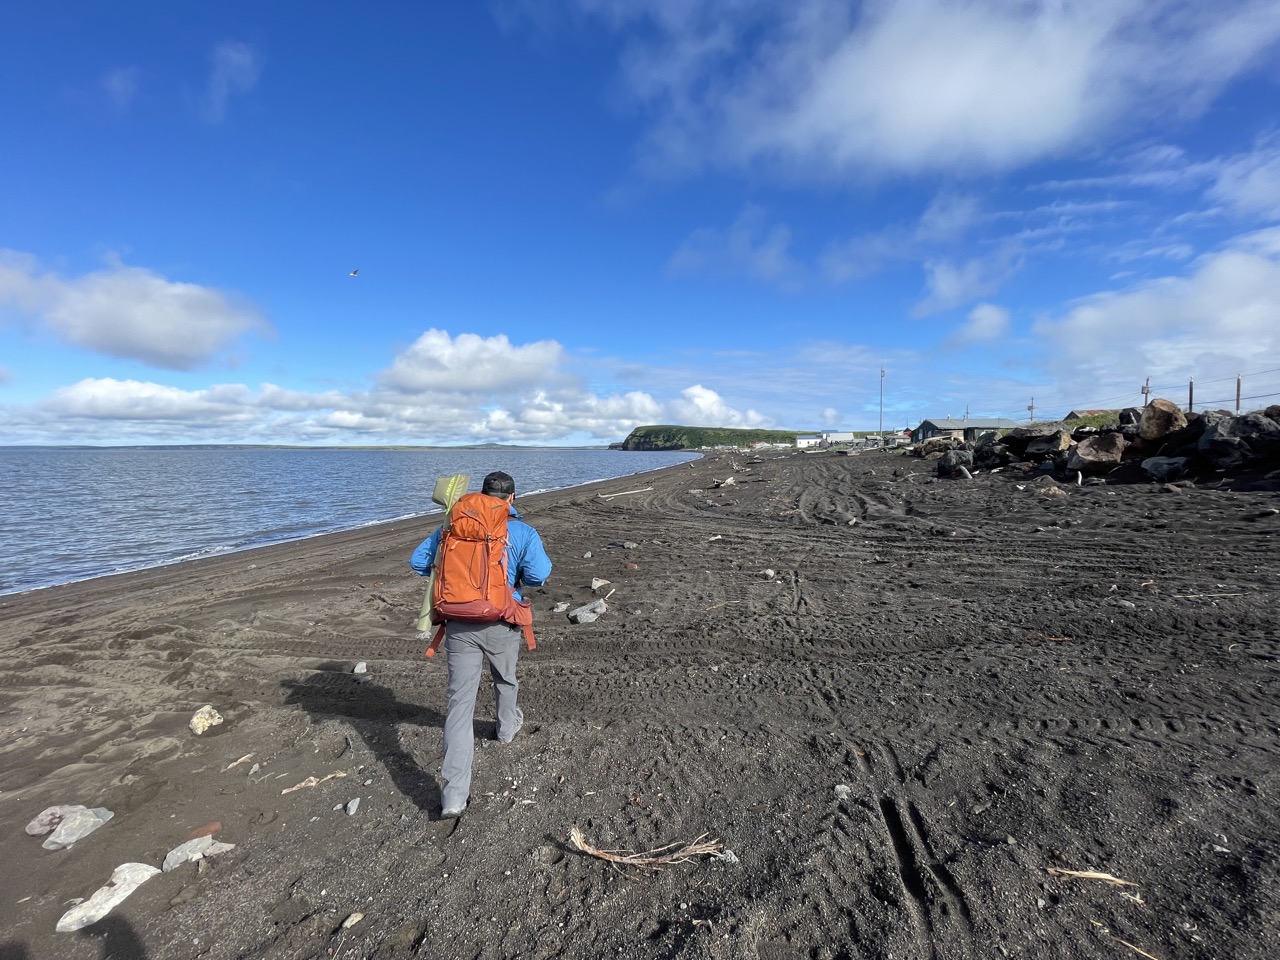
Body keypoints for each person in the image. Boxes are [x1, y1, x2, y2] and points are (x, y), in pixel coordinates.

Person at [409, 470, 552, 819]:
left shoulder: (452, 525)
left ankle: (453, 798)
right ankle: (506, 729)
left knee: (459, 704)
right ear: (512, 499)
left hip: (458, 623)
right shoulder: (522, 531)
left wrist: (455, 578)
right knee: (505, 678)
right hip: (502, 621)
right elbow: (539, 575)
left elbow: (417, 562)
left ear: (482, 494)